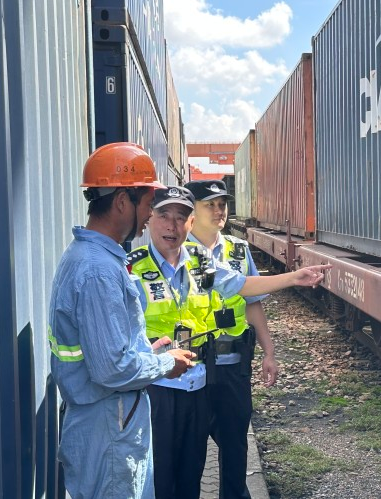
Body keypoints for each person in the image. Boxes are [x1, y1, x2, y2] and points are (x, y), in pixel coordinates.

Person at [48, 142, 196, 499]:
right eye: (147, 205)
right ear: (120, 202)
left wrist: (143, 350)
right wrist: (164, 364)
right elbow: (111, 369)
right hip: (108, 430)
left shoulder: (94, 258)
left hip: (110, 423)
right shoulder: (98, 271)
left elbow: (104, 348)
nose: (149, 217)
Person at [127, 186, 239, 499]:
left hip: (197, 386)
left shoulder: (202, 265)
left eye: (181, 217)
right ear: (149, 219)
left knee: (192, 475)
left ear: (190, 225)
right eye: (164, 215)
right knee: (159, 477)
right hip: (156, 391)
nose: (172, 226)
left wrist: (293, 277)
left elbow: (243, 285)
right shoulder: (129, 268)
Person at [185, 179, 276, 499]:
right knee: (191, 454)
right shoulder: (178, 253)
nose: (219, 209)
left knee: (236, 447)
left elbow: (253, 302)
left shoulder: (238, 251)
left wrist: (269, 352)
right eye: (209, 204)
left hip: (234, 366)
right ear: (191, 210)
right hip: (192, 370)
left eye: (221, 203)